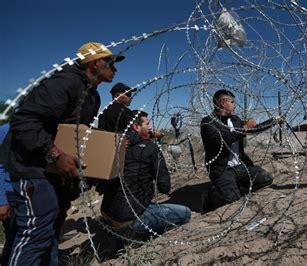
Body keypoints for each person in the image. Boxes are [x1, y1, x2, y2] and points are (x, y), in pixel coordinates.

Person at [2, 41, 125, 265]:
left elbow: (73, 133)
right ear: (95, 63)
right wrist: (55, 155)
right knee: (34, 234)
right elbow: (23, 121)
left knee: (51, 229)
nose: (114, 69)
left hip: (55, 174)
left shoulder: (92, 95)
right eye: (110, 63)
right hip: (33, 169)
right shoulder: (64, 83)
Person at [100, 111, 191, 240]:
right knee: (185, 213)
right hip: (127, 222)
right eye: (147, 124)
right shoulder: (150, 149)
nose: (150, 127)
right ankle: (127, 236)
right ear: (136, 127)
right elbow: (165, 187)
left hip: (107, 214)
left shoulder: (116, 146)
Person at [200, 90, 279, 213]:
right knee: (230, 198)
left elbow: (252, 129)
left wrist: (273, 121)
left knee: (266, 179)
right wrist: (245, 128)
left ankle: (234, 184)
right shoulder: (208, 122)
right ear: (222, 103)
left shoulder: (235, 119)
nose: (234, 105)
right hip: (222, 169)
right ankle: (211, 196)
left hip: (240, 167)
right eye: (232, 102)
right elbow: (220, 142)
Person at [0, 123, 15, 266]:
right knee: (13, 237)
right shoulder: (6, 130)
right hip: (10, 193)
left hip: (28, 194)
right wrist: (2, 201)